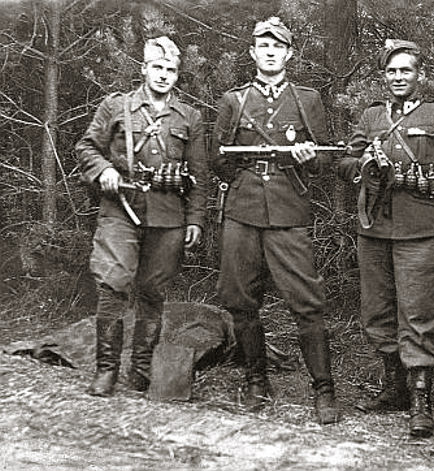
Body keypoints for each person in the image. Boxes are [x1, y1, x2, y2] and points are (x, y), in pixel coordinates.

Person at [335, 39, 434, 437]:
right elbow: (344, 162)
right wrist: (362, 164)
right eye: (392, 71)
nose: (398, 77)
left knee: (418, 314)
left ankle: (420, 400)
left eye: (406, 70)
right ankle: (394, 388)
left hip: (420, 229)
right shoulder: (371, 116)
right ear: (384, 76)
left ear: (419, 75)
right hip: (374, 228)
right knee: (376, 311)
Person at [210, 17, 340, 424]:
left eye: (277, 46)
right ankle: (256, 381)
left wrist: (307, 158)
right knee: (240, 299)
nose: (270, 52)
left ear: (289, 54)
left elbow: (325, 161)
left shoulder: (307, 99)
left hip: (287, 209)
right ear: (253, 53)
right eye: (263, 46)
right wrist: (241, 172)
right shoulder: (234, 100)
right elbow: (217, 159)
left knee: (307, 302)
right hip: (243, 208)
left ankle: (324, 389)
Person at [77, 36, 207, 397]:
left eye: (171, 70)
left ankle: (140, 370)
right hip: (120, 208)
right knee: (113, 283)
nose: (163, 75)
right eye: (157, 67)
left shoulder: (189, 117)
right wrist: (103, 169)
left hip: (168, 215)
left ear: (177, 74)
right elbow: (86, 147)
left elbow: (199, 174)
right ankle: (106, 370)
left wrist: (195, 219)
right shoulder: (116, 106)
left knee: (153, 291)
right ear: (144, 69)